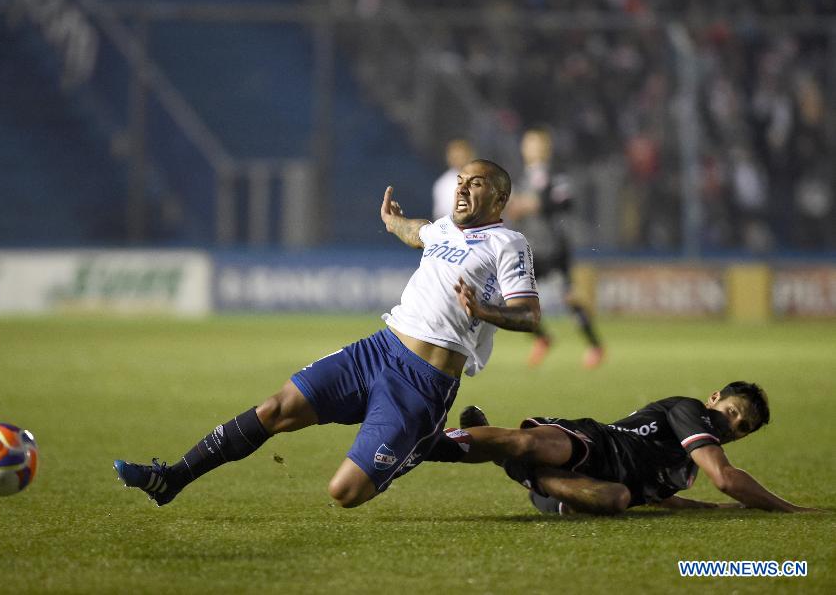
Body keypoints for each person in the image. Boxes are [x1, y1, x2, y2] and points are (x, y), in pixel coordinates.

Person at [114, 159, 541, 508]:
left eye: (477, 183)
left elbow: (529, 315)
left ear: (500, 197)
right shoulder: (444, 228)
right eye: (461, 181)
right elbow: (418, 233)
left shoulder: (507, 243)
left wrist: (485, 309)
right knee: (275, 408)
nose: (462, 189)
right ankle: (172, 478)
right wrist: (394, 223)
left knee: (345, 493)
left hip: (422, 385)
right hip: (377, 351)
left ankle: (427, 439)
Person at [427, 381, 819, 514]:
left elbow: (661, 501)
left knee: (617, 499)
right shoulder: (689, 410)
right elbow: (726, 478)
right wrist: (789, 509)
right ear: (714, 398)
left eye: (742, 426)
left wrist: (712, 510)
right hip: (596, 443)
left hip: (572, 492)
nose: (731, 424)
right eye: (732, 411)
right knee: (527, 442)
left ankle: (509, 460)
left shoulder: (685, 468)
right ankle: (427, 443)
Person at [505, 128, 604, 368]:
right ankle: (543, 338)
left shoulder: (556, 176)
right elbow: (513, 209)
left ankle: (595, 346)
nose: (532, 149)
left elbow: (565, 202)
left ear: (546, 149)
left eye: (536, 144)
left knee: (570, 298)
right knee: (512, 300)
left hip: (554, 249)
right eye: (528, 144)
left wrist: (535, 204)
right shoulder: (519, 178)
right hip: (529, 249)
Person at [433, 139, 476, 220]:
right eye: (454, 156)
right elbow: (440, 216)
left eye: (461, 155)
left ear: (470, 155)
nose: (458, 159)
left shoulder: (486, 178)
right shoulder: (443, 184)